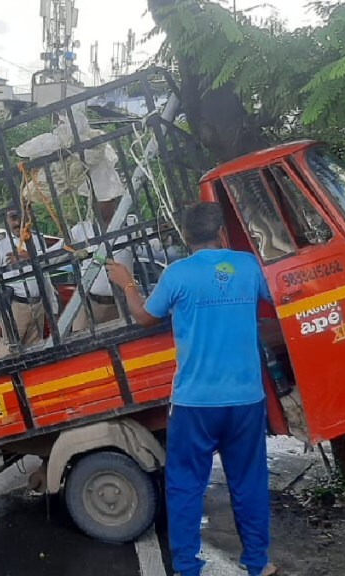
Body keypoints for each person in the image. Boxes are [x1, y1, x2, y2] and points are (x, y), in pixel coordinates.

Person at [106, 202, 276, 576]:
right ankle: (258, 563)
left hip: (194, 403)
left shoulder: (177, 274)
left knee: (186, 487)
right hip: (246, 398)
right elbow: (278, 300)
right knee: (249, 482)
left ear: (185, 237)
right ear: (221, 233)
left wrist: (127, 283)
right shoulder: (247, 266)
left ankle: (187, 568)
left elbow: (144, 317)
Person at [0, 203, 57, 358]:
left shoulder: (37, 239)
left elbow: (45, 276)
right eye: (13, 218)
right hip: (15, 306)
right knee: (7, 355)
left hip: (37, 305)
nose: (17, 223)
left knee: (35, 354)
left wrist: (52, 306)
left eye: (21, 217)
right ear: (6, 220)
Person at [58, 199, 135, 331]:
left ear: (113, 201)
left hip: (120, 303)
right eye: (92, 201)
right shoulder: (81, 229)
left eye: (100, 200)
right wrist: (30, 256)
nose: (93, 205)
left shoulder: (130, 224)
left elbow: (156, 241)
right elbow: (56, 252)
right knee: (79, 343)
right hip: (89, 302)